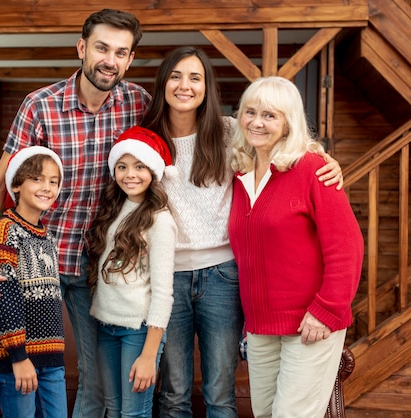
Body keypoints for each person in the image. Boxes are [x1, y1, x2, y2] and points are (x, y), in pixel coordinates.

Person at [139, 47, 344, 417]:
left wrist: (324, 158)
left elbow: (286, 139)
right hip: (168, 276)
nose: (185, 86)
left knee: (220, 392)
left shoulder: (229, 130)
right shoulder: (146, 141)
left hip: (222, 274)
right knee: (173, 393)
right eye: (175, 76)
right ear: (162, 82)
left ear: (207, 87)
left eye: (195, 78)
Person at [0, 9, 150, 417]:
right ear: (82, 48)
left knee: (94, 375)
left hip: (97, 264)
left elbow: (197, 131)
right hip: (40, 261)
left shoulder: (138, 103)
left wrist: (304, 148)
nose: (110, 60)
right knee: (26, 365)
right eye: (102, 48)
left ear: (130, 59)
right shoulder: (40, 106)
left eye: (121, 52)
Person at [228, 76, 363, 417]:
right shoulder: (240, 173)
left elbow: (347, 246)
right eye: (250, 112)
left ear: (289, 122)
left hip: (311, 324)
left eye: (270, 115)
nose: (257, 122)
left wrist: (327, 310)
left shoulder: (313, 168)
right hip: (260, 325)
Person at [87, 126, 177, 417]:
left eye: (139, 166)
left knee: (133, 413)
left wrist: (150, 353)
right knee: (113, 410)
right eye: (122, 167)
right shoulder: (113, 209)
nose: (130, 174)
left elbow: (163, 293)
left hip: (138, 331)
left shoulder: (160, 220)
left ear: (152, 171)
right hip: (105, 326)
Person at [0, 146, 67, 417]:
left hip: (51, 357)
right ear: (16, 185)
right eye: (37, 179)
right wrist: (18, 356)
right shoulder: (4, 232)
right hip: (16, 359)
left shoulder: (46, 236)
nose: (47, 188)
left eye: (53, 182)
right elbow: (2, 297)